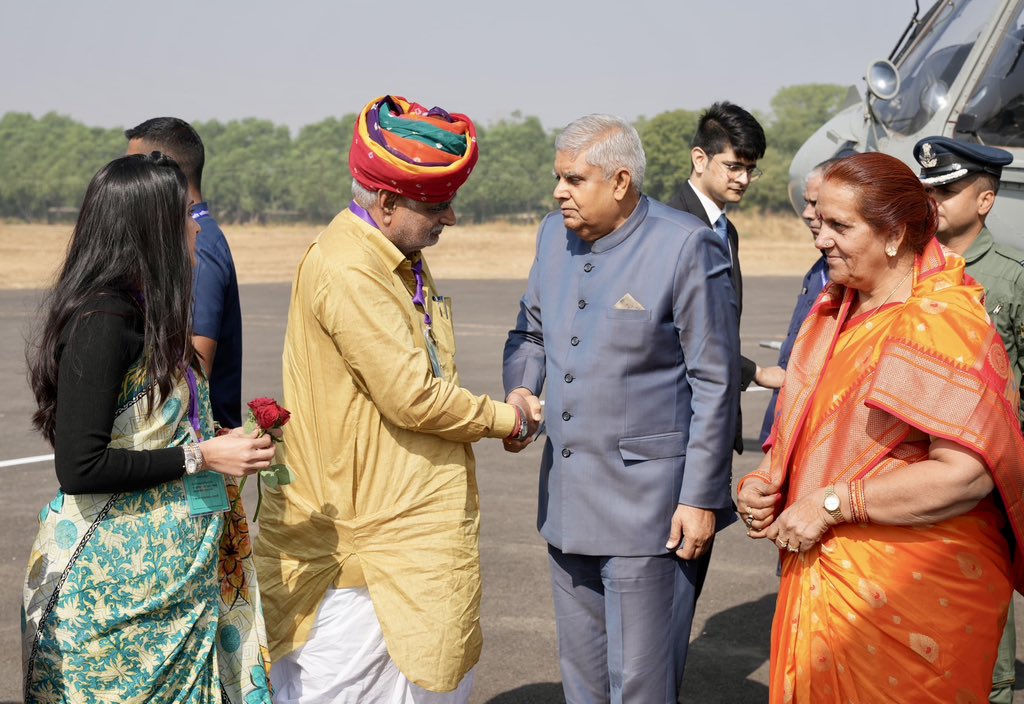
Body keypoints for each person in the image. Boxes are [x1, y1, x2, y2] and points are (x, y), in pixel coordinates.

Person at [253, 95, 539, 704]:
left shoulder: (399, 257)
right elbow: (411, 397)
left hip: (406, 530)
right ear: (385, 203)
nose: (452, 219)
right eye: (437, 206)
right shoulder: (352, 268)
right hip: (364, 551)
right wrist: (504, 418)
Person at [738, 152, 1024, 703]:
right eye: (820, 223)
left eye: (841, 227)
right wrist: (770, 483)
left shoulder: (937, 321)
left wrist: (830, 505)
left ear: (894, 234)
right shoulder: (837, 314)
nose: (822, 240)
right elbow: (823, 438)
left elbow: (964, 475)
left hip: (909, 598)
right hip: (830, 581)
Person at [22, 153, 277, 703]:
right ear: (151, 226)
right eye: (185, 214)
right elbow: (80, 467)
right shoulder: (103, 320)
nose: (196, 226)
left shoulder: (150, 313)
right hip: (113, 596)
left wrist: (227, 442)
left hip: (176, 585)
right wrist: (201, 458)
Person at [503, 114, 740, 703]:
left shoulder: (686, 246)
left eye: (574, 180)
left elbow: (713, 382)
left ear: (620, 181)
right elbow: (530, 332)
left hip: (651, 513)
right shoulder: (549, 237)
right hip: (566, 502)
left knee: (640, 686)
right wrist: (522, 391)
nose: (559, 191)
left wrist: (700, 498)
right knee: (582, 683)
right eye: (558, 178)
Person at [914, 135, 1023, 704]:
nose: (933, 200)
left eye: (948, 190)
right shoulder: (905, 270)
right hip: (912, 481)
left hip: (987, 488)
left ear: (984, 201)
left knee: (986, 644)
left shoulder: (1011, 278)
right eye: (927, 188)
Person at [126, 117, 243, 428]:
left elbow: (193, 371)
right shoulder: (182, 239)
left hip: (195, 451)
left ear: (166, 171)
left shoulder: (197, 245)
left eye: (137, 168)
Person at [667, 101, 769, 453]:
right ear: (700, 159)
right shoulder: (669, 227)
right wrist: (751, 370)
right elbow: (674, 333)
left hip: (715, 419)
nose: (743, 179)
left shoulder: (727, 231)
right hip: (679, 420)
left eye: (750, 169)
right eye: (733, 167)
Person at [757, 159, 840, 444]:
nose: (806, 213)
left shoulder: (859, 280)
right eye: (806, 202)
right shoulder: (818, 271)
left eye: (815, 203)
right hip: (785, 425)